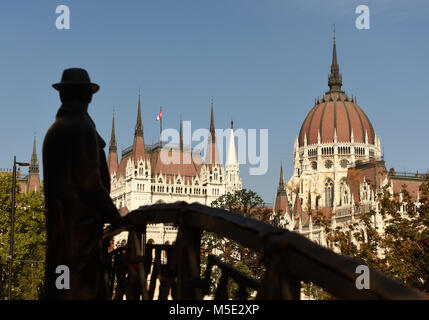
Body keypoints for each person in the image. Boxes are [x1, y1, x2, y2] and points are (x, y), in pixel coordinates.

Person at [43, 68, 121, 299]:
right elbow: (90, 184)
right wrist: (116, 216)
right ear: (87, 96)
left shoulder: (55, 130)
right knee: (80, 290)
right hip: (80, 234)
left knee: (61, 286)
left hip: (61, 232)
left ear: (62, 95)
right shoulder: (80, 128)